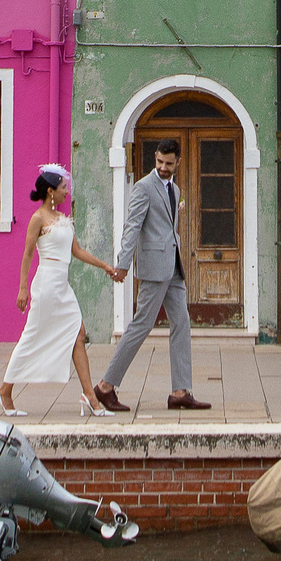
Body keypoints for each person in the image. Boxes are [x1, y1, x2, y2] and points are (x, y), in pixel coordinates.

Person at [91, 137, 212, 413]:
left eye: (169, 163)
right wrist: (123, 263)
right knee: (141, 326)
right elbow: (132, 226)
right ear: (155, 158)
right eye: (159, 162)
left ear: (178, 162)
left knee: (181, 322)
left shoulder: (175, 188)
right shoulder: (144, 187)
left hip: (173, 266)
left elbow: (168, 227)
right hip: (154, 269)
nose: (163, 168)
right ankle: (106, 386)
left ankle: (180, 391)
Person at [0, 165, 124, 418]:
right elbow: (27, 254)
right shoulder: (38, 218)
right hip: (45, 285)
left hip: (63, 286)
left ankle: (90, 395)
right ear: (50, 191)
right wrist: (23, 288)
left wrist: (105, 267)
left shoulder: (63, 219)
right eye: (64, 187)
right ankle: (5, 391)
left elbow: (77, 251)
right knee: (31, 336)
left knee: (78, 333)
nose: (67, 192)